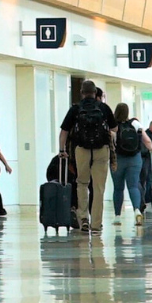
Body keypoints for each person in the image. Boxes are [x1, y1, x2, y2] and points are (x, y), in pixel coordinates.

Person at [59, 84, 113, 232]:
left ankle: (83, 218)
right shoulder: (103, 108)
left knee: (82, 183)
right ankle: (96, 224)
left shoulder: (75, 109)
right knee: (98, 187)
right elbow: (114, 129)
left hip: (81, 149)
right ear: (95, 93)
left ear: (82, 93)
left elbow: (64, 131)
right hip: (101, 150)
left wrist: (62, 149)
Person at [108, 103, 144, 221]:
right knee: (133, 186)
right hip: (135, 159)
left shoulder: (112, 125)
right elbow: (146, 140)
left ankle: (117, 216)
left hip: (117, 159)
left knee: (118, 188)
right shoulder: (135, 123)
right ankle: (137, 210)